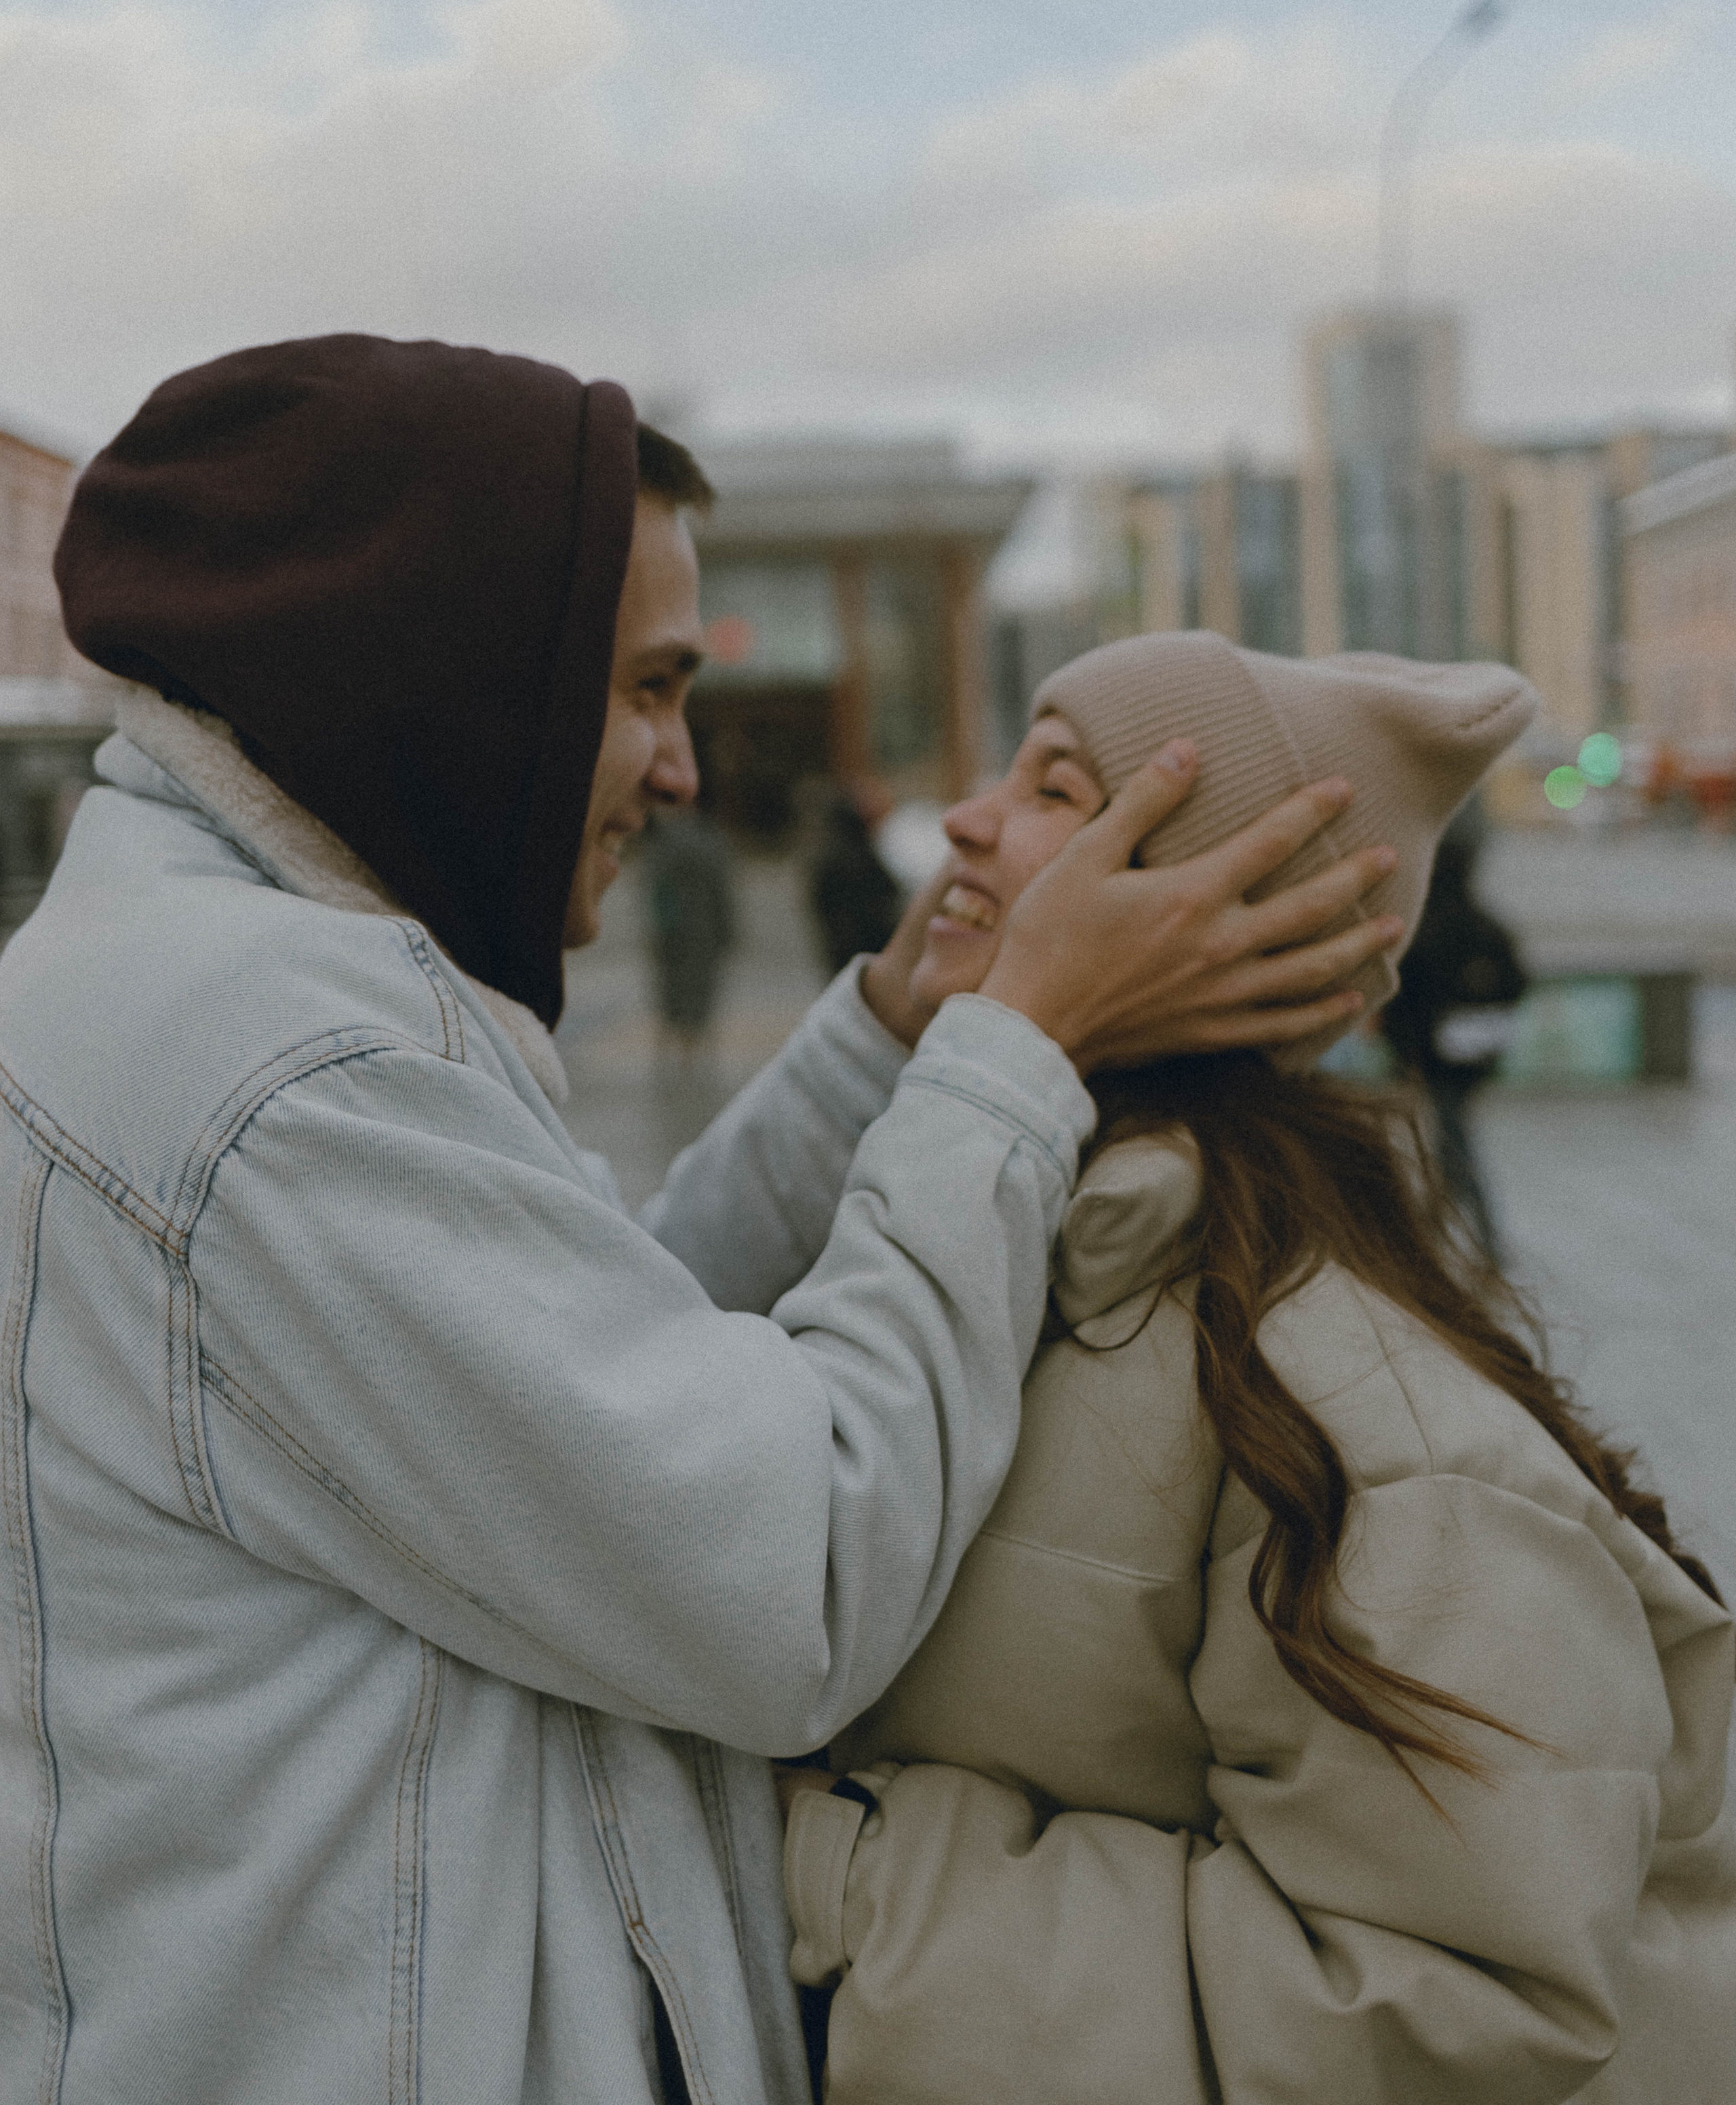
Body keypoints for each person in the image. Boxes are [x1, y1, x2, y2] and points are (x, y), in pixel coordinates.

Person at [1, 338, 1396, 2105]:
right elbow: (783, 1577)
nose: (677, 770)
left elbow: (583, 1383)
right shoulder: (285, 1081)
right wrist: (1015, 1055)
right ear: (455, 678)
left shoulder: (207, 982)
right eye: (650, 689)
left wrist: (893, 1032)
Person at [784, 630, 1736, 2105]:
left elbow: (1452, 2002)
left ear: (1215, 912)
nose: (965, 819)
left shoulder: (1363, 1420)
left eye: (1052, 787)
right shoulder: (999, 1279)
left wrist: (829, 1882)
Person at [1379, 800, 1528, 1260]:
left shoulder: (1424, 930)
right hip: (1478, 1054)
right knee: (1451, 1134)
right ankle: (1444, 1228)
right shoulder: (1487, 927)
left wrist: (1400, 1051)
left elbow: (1404, 999)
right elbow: (1518, 982)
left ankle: (1474, 1236)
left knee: (1453, 1140)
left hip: (1429, 1055)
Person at [640, 797, 738, 1050]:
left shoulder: (663, 844)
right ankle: (695, 1057)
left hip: (675, 933)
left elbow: (660, 893)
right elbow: (722, 893)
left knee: (671, 998)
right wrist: (728, 931)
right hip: (706, 932)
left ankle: (670, 1057)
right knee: (700, 999)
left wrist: (660, 931)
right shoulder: (711, 841)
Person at [808, 787, 903, 975]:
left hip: (841, 939)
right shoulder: (864, 855)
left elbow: (819, 898)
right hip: (869, 935)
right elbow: (889, 891)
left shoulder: (827, 856)